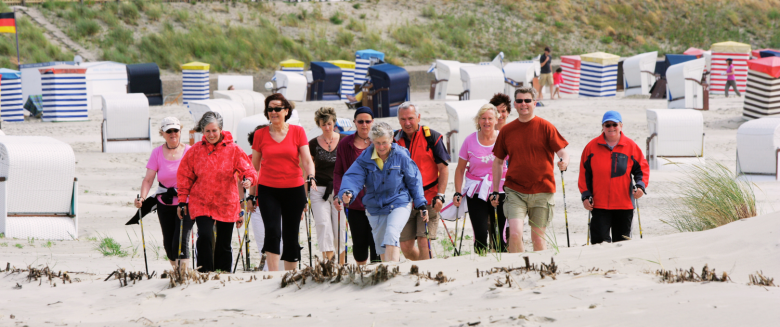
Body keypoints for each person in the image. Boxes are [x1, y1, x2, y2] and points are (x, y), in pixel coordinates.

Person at [491, 87, 570, 253]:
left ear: (534, 103)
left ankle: (539, 273)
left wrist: (564, 161)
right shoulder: (506, 130)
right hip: (515, 190)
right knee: (514, 234)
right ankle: (517, 270)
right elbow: (498, 161)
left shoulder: (546, 127)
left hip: (542, 190)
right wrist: (496, 190)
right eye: (519, 101)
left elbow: (562, 151)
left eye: (527, 100)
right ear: (515, 104)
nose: (523, 104)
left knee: (538, 238)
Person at [177, 112, 256, 272]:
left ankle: (224, 274)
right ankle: (204, 273)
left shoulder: (233, 149)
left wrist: (247, 179)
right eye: (207, 131)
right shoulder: (195, 151)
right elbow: (185, 176)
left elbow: (248, 169)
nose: (211, 134)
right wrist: (182, 200)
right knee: (205, 236)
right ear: (202, 131)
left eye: (214, 130)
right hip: (201, 202)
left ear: (220, 129)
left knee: (224, 242)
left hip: (226, 202)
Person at [246, 93, 317, 271]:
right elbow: (254, 168)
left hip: (294, 189)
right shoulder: (260, 134)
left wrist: (311, 175)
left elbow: (307, 160)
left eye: (277, 108)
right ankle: (273, 276)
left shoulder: (298, 131)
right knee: (272, 231)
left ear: (286, 111)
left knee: (291, 234)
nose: (273, 112)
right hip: (268, 190)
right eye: (270, 109)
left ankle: (291, 275)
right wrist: (251, 196)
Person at [339, 122, 428, 262]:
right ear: (372, 141)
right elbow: (353, 177)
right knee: (381, 246)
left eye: (384, 143)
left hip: (399, 202)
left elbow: (414, 180)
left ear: (392, 138)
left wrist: (421, 203)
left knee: (392, 234)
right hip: (375, 206)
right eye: (378, 143)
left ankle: (393, 272)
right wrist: (347, 192)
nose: (381, 147)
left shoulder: (401, 155)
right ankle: (388, 276)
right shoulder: (364, 158)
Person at [579, 111, 649, 244]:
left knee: (622, 244)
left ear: (621, 125)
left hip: (624, 205)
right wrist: (585, 195)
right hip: (599, 205)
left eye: (614, 124)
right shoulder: (591, 147)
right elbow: (584, 174)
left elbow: (642, 170)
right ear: (603, 127)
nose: (611, 128)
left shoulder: (631, 146)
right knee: (599, 244)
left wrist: (640, 186)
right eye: (607, 125)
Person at [135, 117, 192, 270]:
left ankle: (183, 274)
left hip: (185, 202)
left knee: (180, 240)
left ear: (180, 131)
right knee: (168, 243)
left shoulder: (189, 151)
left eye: (175, 130)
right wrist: (142, 198)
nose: (173, 134)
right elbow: (148, 179)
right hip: (164, 202)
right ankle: (177, 272)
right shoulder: (157, 153)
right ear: (162, 133)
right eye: (169, 131)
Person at [395, 102, 450, 261]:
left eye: (411, 118)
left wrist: (440, 195)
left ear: (418, 117)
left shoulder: (432, 137)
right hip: (404, 200)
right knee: (405, 246)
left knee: (423, 241)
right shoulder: (394, 139)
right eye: (403, 119)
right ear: (399, 120)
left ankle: (427, 275)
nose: (407, 123)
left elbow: (444, 169)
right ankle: (423, 268)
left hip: (429, 198)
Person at [453, 104, 508, 253]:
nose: (486, 122)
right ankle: (480, 267)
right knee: (481, 235)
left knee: (500, 235)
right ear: (478, 120)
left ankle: (501, 267)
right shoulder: (469, 140)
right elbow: (460, 169)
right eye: (483, 118)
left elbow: (513, 164)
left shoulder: (503, 138)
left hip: (500, 190)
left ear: (497, 120)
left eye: (490, 118)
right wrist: (458, 192)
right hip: (476, 191)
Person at [333, 107, 380, 265]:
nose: (364, 125)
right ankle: (361, 277)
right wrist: (338, 194)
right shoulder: (345, 143)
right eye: (360, 121)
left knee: (377, 246)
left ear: (373, 122)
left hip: (378, 203)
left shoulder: (381, 141)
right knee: (359, 247)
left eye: (368, 121)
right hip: (354, 203)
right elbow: (338, 172)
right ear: (354, 123)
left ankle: (377, 280)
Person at [308, 107, 346, 264]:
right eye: (323, 124)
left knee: (339, 227)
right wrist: (305, 196)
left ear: (334, 122)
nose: (327, 127)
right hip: (319, 190)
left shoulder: (344, 140)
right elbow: (307, 169)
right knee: (323, 225)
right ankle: (329, 263)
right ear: (319, 124)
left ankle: (342, 264)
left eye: (329, 123)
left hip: (340, 189)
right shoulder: (312, 144)